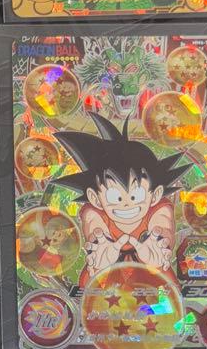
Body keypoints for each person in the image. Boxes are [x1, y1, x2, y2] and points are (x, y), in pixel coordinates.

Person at [52, 112, 191, 283]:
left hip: (153, 281)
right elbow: (95, 230)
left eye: (136, 195)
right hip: (105, 281)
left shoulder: (159, 209)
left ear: (155, 195)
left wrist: (159, 246)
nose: (126, 204)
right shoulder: (94, 213)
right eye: (115, 197)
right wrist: (101, 255)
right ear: (95, 198)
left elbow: (162, 227)